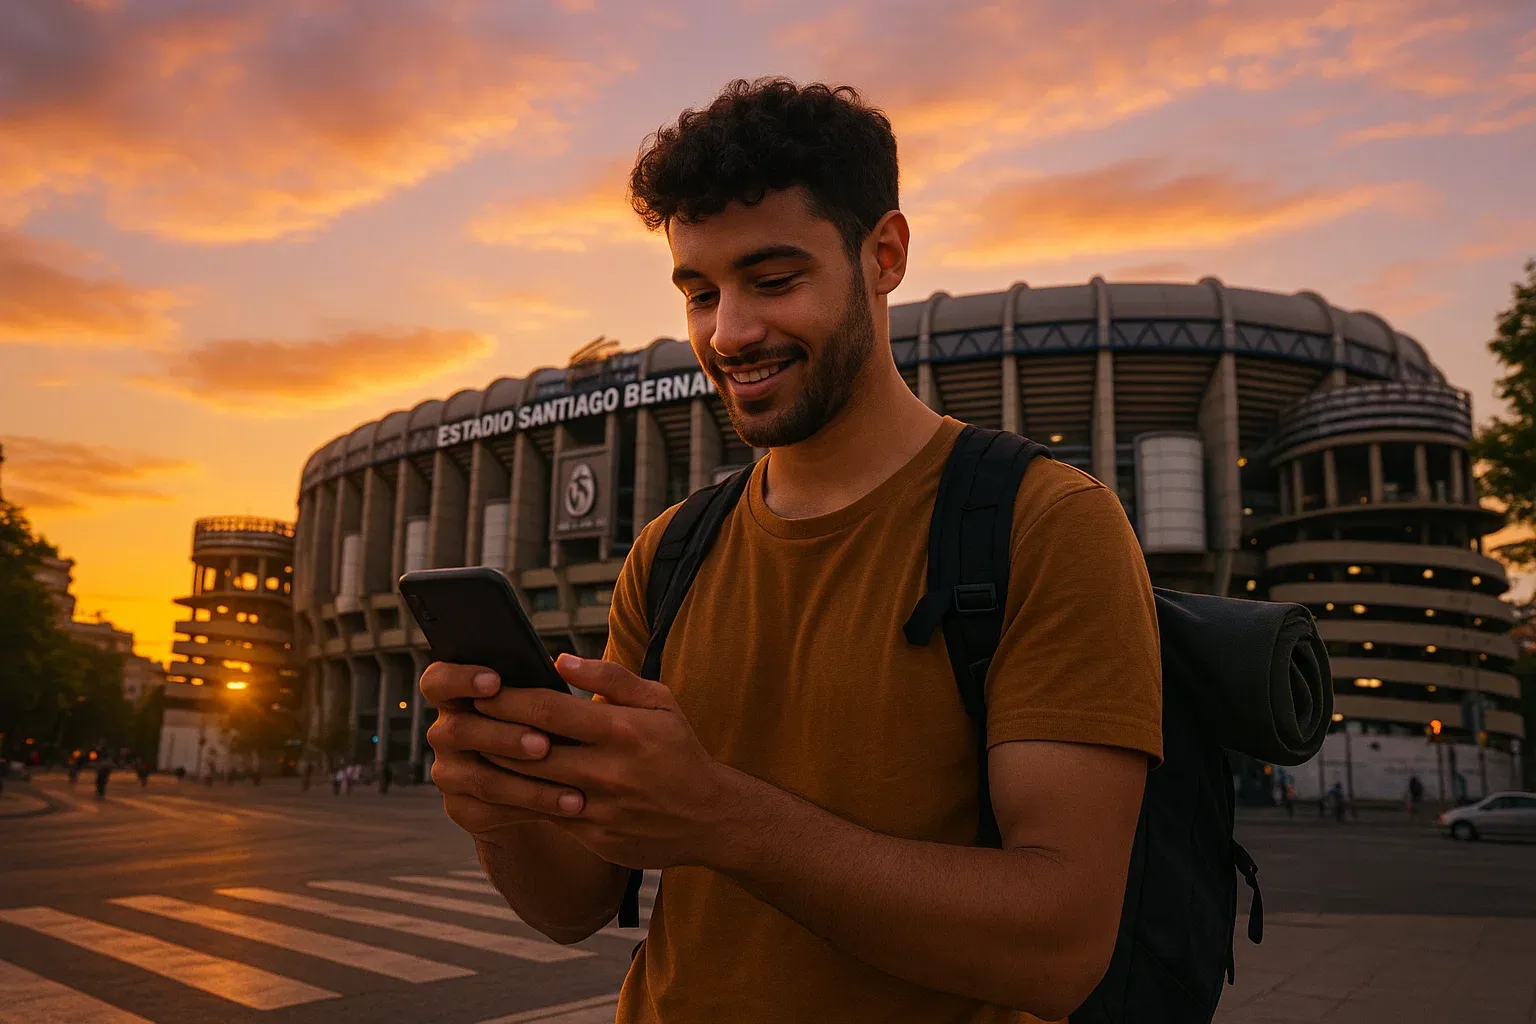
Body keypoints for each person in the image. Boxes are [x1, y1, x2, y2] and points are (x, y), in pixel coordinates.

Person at [422, 79, 1162, 1024]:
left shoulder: (1046, 524)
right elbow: (573, 907)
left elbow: (1061, 948)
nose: (729, 333)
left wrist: (721, 819)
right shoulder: (674, 551)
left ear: (884, 255)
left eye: (773, 280)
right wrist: (501, 808)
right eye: (700, 291)